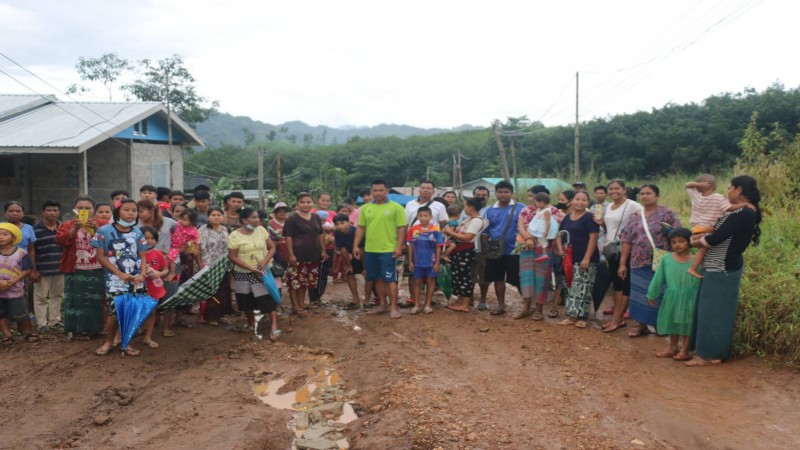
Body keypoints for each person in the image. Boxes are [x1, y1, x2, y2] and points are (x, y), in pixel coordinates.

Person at [687, 175, 762, 367]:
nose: (727, 191)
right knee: (707, 310)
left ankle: (712, 355)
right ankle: (704, 351)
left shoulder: (744, 213)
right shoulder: (740, 212)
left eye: (730, 188)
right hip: (716, 266)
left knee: (715, 313)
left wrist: (695, 242)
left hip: (722, 268)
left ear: (738, 190)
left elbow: (718, 237)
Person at [618, 184, 682, 337]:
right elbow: (627, 240)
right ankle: (641, 326)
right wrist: (622, 263)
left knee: (660, 293)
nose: (645, 196)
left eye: (649, 193)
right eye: (643, 193)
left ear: (657, 196)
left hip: (661, 263)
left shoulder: (668, 214)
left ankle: (661, 325)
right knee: (639, 294)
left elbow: (679, 236)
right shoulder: (635, 216)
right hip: (638, 262)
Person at [92, 199, 148, 356]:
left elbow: (143, 256)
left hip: (136, 279)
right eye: (127, 210)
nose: (131, 213)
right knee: (115, 313)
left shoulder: (138, 232)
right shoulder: (104, 231)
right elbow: (100, 257)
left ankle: (126, 342)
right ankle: (109, 342)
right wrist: (119, 273)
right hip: (115, 280)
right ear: (117, 212)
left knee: (132, 311)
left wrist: (142, 274)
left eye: (134, 210)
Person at [353, 179, 407, 319]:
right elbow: (361, 228)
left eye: (381, 190)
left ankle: (394, 307)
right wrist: (356, 245)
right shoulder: (365, 208)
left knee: (390, 279)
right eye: (375, 190)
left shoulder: (396, 208)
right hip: (370, 250)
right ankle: (382, 304)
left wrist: (399, 246)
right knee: (377, 278)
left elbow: (402, 228)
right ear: (371, 192)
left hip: (388, 249)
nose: (378, 193)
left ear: (387, 191)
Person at [597, 179, 643, 333]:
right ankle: (618, 318)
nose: (613, 191)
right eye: (611, 189)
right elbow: (609, 227)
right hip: (611, 249)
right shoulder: (609, 206)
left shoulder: (632, 205)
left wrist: (629, 233)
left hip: (627, 249)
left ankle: (617, 319)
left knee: (624, 284)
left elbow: (644, 222)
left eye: (617, 188)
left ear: (624, 190)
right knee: (617, 284)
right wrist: (601, 223)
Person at [57, 196, 106, 340]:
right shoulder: (67, 224)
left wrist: (96, 228)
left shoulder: (103, 224)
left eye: (87, 208)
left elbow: (109, 241)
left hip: (97, 267)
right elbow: (60, 241)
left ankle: (95, 329)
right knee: (75, 299)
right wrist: (74, 229)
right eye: (80, 208)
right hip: (75, 268)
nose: (84, 211)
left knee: (96, 299)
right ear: (75, 209)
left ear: (93, 210)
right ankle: (77, 330)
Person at [646, 228, 700, 361]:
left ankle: (685, 349)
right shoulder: (666, 259)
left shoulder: (697, 260)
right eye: (674, 242)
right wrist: (651, 294)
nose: (677, 245)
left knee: (688, 323)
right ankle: (672, 347)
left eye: (681, 241)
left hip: (690, 297)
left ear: (689, 242)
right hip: (673, 296)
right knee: (673, 321)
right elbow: (658, 278)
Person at [684, 174, 750, 279]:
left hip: (696, 227)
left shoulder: (696, 195)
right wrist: (745, 204)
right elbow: (730, 208)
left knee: (701, 248)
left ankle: (697, 266)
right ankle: (693, 268)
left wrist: (697, 184)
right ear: (714, 187)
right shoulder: (718, 198)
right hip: (707, 228)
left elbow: (687, 185)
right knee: (703, 248)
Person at [227, 207, 279, 338]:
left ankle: (274, 326)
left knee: (266, 297)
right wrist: (250, 268)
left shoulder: (261, 230)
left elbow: (272, 247)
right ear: (244, 220)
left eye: (258, 217)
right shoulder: (234, 235)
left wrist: (265, 261)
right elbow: (232, 257)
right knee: (245, 300)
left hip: (261, 271)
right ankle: (251, 323)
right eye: (254, 217)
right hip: (242, 272)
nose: (258, 220)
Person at [555, 191, 600, 328]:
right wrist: (560, 249)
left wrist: (586, 258)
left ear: (588, 203)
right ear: (572, 201)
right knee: (570, 286)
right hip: (569, 258)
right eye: (577, 199)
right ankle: (571, 316)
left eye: (584, 200)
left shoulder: (590, 217)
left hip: (586, 258)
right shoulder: (567, 217)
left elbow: (593, 237)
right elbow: (559, 235)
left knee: (584, 287)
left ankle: (582, 317)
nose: (580, 202)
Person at [481, 180, 524, 316]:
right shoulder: (489, 210)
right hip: (495, 251)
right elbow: (485, 232)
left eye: (506, 192)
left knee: (519, 279)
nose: (503, 195)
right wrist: (484, 251)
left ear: (512, 193)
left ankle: (528, 305)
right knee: (498, 278)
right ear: (496, 193)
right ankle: (501, 305)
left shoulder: (521, 208)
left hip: (515, 250)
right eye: (500, 192)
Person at [283, 193, 326, 317]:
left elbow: (320, 234)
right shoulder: (292, 219)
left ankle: (301, 304)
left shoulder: (316, 217)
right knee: (294, 282)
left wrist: (323, 250)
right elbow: (288, 237)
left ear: (313, 203)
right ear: (297, 204)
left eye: (308, 202)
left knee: (305, 282)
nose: (306, 204)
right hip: (297, 256)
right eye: (303, 202)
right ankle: (295, 307)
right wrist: (291, 255)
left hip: (313, 256)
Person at [515, 191, 556, 320]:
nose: (532, 199)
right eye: (531, 196)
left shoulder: (552, 210)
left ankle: (538, 309)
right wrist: (528, 238)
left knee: (541, 278)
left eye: (535, 197)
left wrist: (535, 237)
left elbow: (555, 228)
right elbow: (520, 226)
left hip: (544, 247)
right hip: (527, 246)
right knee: (526, 276)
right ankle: (526, 307)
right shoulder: (525, 210)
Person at [443, 198, 487, 312]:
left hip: (466, 251)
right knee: (459, 275)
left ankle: (465, 304)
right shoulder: (469, 219)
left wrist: (450, 232)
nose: (464, 209)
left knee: (465, 277)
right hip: (460, 250)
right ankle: (461, 301)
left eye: (465, 206)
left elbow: (468, 237)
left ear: (471, 207)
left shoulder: (477, 220)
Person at [0, 222, 36, 344]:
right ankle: (7, 335)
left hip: (15, 289)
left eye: (5, 234)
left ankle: (27, 332)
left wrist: (13, 281)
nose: (1, 237)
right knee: (1, 313)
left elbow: (27, 269)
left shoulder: (21, 253)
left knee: (21, 311)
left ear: (13, 238)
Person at [31, 200, 64, 332]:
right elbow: (31, 250)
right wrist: (33, 270)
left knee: (57, 296)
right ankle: (42, 324)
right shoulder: (35, 230)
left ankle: (55, 321)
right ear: (43, 212)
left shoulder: (62, 228)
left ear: (59, 212)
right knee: (41, 297)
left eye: (55, 210)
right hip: (41, 269)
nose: (52, 213)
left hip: (60, 268)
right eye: (49, 210)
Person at [406, 206, 443, 315]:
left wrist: (437, 262)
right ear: (417, 216)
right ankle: (417, 304)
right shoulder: (413, 229)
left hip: (431, 261)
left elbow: (438, 246)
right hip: (417, 261)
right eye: (420, 216)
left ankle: (428, 304)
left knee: (430, 281)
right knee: (417, 281)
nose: (423, 218)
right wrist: (410, 261)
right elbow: (409, 245)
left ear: (430, 216)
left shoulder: (435, 230)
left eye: (425, 215)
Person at [139, 226, 171, 350]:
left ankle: (148, 336)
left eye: (152, 238)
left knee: (151, 313)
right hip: (139, 287)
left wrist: (160, 273)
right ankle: (124, 335)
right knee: (136, 311)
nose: (149, 241)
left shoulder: (158, 254)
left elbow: (166, 269)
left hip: (154, 288)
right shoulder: (135, 254)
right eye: (146, 238)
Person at [198, 207, 231, 324]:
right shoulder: (204, 229)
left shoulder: (224, 229)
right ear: (208, 217)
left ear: (223, 216)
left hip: (224, 265)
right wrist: (205, 264)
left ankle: (220, 314)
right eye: (213, 215)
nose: (216, 217)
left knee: (224, 290)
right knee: (212, 291)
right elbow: (202, 248)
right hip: (210, 265)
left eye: (218, 215)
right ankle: (210, 317)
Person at [463, 186, 491, 309]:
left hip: (484, 247)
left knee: (483, 275)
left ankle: (483, 300)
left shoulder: (491, 210)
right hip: (468, 247)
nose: (480, 197)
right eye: (478, 194)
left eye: (483, 195)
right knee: (470, 274)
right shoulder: (466, 211)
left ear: (488, 197)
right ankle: (469, 299)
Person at [309, 192, 336, 303]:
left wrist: (332, 230)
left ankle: (318, 296)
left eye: (327, 200)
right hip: (314, 248)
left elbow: (337, 226)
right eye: (323, 200)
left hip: (329, 247)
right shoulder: (311, 213)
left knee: (324, 272)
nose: (325, 202)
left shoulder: (333, 214)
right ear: (317, 200)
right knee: (314, 272)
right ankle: (313, 297)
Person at [334, 213, 362, 309]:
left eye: (342, 223)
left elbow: (362, 249)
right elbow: (343, 250)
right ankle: (356, 300)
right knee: (349, 275)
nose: (340, 226)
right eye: (337, 224)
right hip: (354, 255)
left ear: (348, 222)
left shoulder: (356, 231)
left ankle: (369, 300)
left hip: (365, 254)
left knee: (369, 276)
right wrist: (348, 265)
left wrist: (365, 267)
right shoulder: (337, 233)